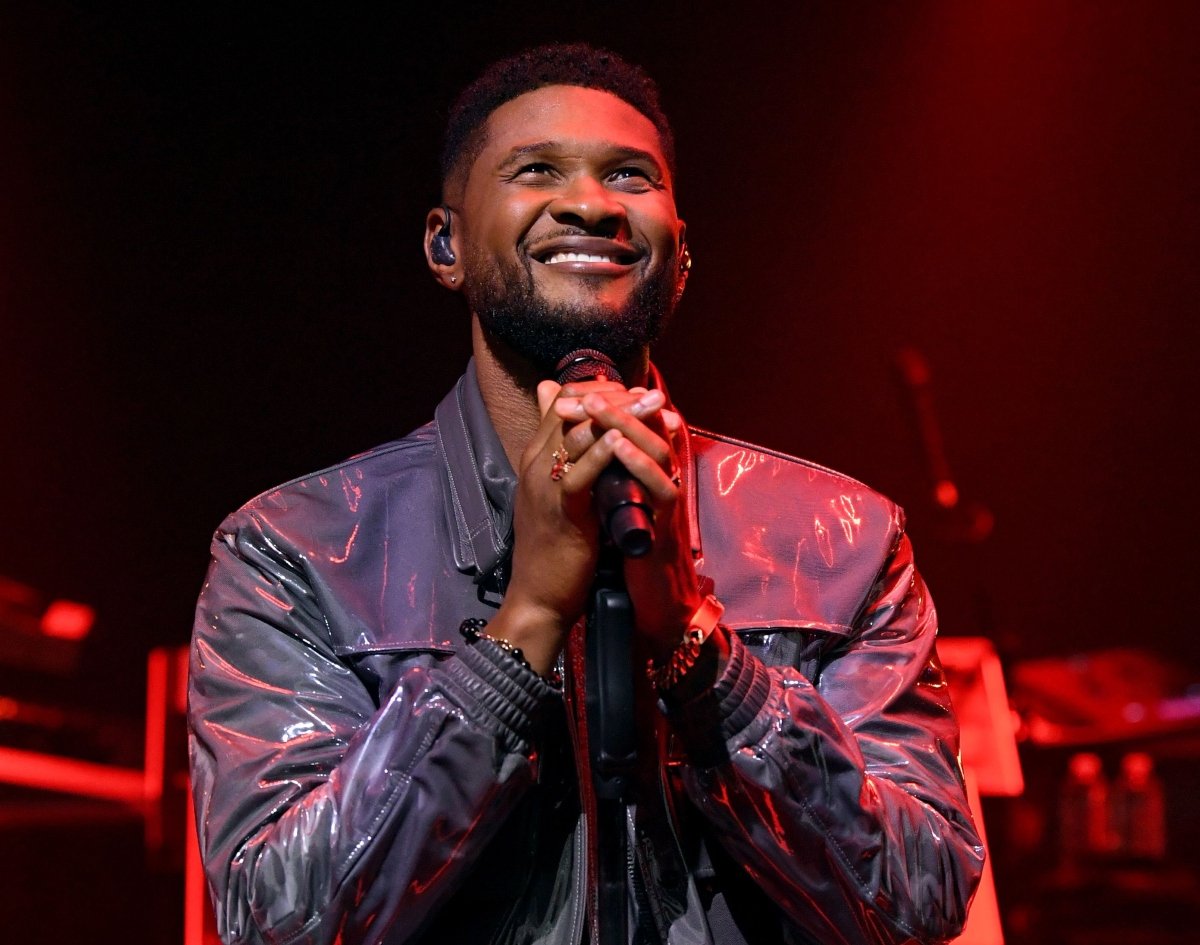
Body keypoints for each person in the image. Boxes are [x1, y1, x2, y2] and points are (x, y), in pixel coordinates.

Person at [188, 43, 985, 945]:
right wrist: (521, 627)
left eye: (631, 177)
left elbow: (918, 902)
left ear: (680, 255)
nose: (592, 203)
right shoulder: (295, 548)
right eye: (537, 171)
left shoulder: (843, 538)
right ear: (444, 244)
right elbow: (276, 921)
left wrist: (700, 652)